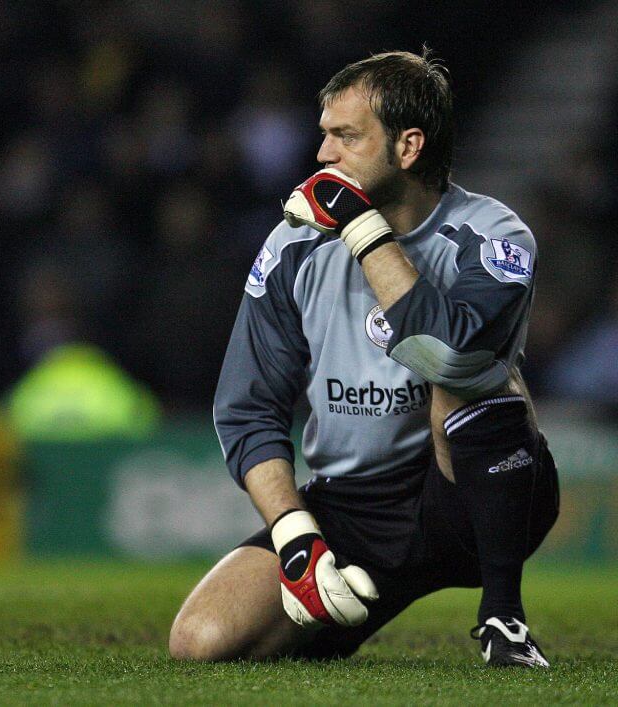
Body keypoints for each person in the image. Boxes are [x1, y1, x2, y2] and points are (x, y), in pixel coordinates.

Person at [169, 50, 559, 667]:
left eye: (347, 136)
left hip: (461, 495)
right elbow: (246, 408)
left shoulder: (492, 234)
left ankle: (503, 617)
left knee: (470, 380)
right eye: (325, 134)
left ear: (408, 147)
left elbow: (449, 358)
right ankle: (345, 605)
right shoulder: (295, 245)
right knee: (202, 641)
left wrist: (361, 227)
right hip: (350, 508)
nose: (324, 154)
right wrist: (296, 537)